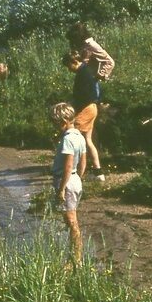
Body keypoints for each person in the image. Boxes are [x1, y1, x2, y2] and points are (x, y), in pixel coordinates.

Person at [50, 102, 87, 266]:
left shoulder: (67, 139)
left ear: (63, 122)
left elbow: (68, 165)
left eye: (56, 123)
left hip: (67, 181)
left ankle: (76, 259)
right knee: (71, 220)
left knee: (72, 222)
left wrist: (62, 188)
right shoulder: (79, 136)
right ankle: (74, 255)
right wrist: (78, 177)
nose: (55, 127)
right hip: (76, 180)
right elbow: (83, 162)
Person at [62, 51, 105, 181]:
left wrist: (73, 106)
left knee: (75, 138)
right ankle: (98, 172)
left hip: (86, 108)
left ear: (74, 62)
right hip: (93, 107)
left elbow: (83, 96)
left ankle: (76, 172)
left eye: (69, 66)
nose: (69, 70)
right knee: (87, 140)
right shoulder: (87, 71)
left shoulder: (82, 73)